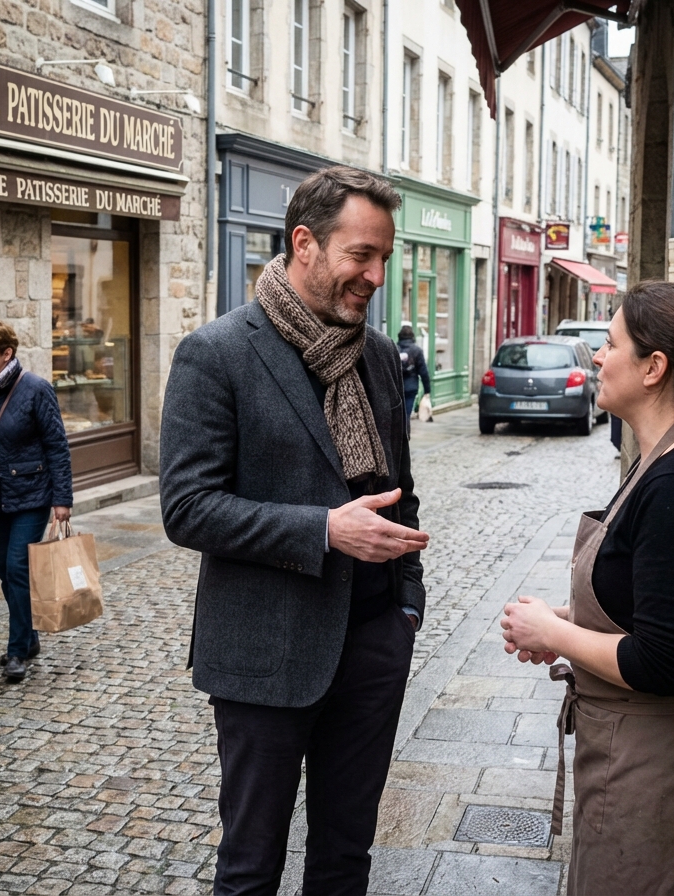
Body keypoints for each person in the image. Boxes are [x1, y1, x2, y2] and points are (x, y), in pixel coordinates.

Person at [161, 166, 430, 896]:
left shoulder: (374, 356)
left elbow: (400, 494)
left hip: (373, 643)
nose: (375, 274)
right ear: (304, 243)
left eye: (385, 256)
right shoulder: (216, 354)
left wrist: (406, 608)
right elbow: (186, 507)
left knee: (346, 859)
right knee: (251, 866)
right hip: (264, 652)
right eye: (360, 255)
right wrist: (323, 530)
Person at [499, 280, 674, 895]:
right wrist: (561, 623)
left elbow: (663, 661)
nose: (595, 355)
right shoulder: (660, 461)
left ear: (654, 368)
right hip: (642, 753)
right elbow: (652, 604)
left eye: (610, 343)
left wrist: (559, 632)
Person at [0, 321, 73, 683]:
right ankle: (30, 635)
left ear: (7, 354)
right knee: (7, 573)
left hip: (31, 495)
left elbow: (57, 445)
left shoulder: (35, 389)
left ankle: (18, 650)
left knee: (19, 569)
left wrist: (61, 499)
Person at [397, 324, 431, 435]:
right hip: (411, 387)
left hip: (396, 386)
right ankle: (405, 435)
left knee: (397, 412)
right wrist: (427, 390)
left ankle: (398, 435)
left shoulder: (395, 348)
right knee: (406, 412)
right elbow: (424, 372)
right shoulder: (417, 350)